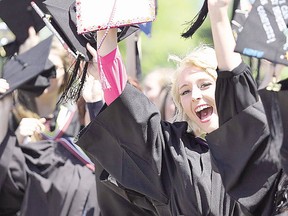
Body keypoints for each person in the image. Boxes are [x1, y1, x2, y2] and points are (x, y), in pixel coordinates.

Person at [75, 0, 283, 215]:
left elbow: (233, 76)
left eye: (205, 84)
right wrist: (105, 36)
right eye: (184, 91)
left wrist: (217, 13)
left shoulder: (257, 146)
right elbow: (127, 110)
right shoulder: (176, 155)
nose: (195, 96)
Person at [10, 29, 81, 144]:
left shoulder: (73, 118)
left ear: (65, 76)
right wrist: (18, 138)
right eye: (42, 67)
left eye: (53, 69)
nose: (46, 75)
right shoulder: (11, 114)